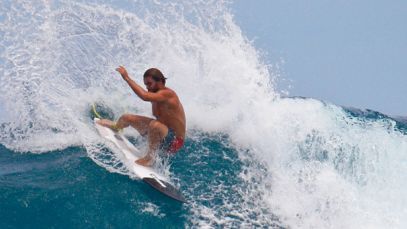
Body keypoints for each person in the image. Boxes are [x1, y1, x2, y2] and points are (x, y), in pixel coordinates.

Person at [97, 66, 186, 167]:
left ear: (160, 81)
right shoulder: (153, 93)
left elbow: (144, 96)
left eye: (149, 84)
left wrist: (126, 78)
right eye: (146, 85)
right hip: (160, 134)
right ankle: (116, 126)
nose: (147, 87)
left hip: (173, 141)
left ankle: (150, 159)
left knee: (155, 125)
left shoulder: (168, 94)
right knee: (126, 118)